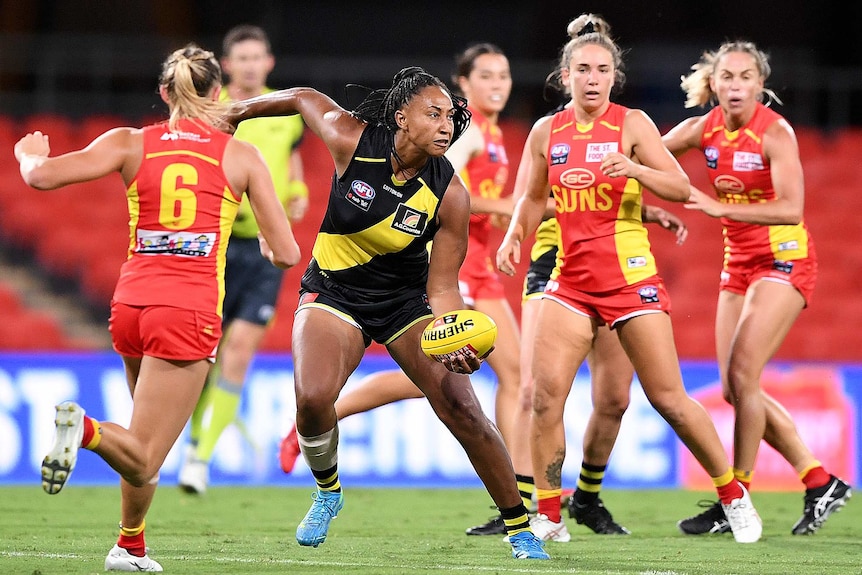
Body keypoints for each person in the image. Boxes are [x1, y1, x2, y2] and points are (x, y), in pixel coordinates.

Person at [225, 66, 550, 559]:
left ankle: (520, 529)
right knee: (312, 399)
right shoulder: (351, 140)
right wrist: (237, 112)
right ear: (401, 116)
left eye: (450, 117)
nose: (446, 124)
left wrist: (454, 335)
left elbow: (442, 287)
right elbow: (304, 96)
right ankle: (328, 491)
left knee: (464, 409)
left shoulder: (450, 195)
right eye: (433, 113)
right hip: (333, 293)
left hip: (404, 303)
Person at [20, 44, 301, 572]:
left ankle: (130, 545)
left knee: (140, 438)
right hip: (188, 309)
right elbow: (286, 253)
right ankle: (82, 429)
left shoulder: (129, 142)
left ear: (164, 93)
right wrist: (267, 244)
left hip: (130, 305)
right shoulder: (238, 155)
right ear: (218, 93)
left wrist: (26, 152)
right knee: (145, 453)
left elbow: (39, 176)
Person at [495, 13, 761, 544]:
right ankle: (549, 514)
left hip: (630, 281)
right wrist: (514, 236)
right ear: (565, 74)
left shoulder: (633, 123)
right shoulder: (546, 132)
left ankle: (734, 497)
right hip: (569, 283)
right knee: (544, 398)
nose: (592, 78)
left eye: (602, 70)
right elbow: (528, 197)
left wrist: (636, 169)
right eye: (582, 69)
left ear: (614, 76)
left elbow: (682, 188)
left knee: (669, 399)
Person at [661, 40, 852, 536]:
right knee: (733, 388)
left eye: (746, 76)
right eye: (727, 76)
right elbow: (648, 151)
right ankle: (818, 480)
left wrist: (722, 209)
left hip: (785, 259)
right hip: (737, 264)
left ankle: (736, 496)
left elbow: (792, 208)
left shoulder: (776, 133)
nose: (736, 85)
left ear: (760, 85)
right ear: (714, 84)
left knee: (744, 374)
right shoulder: (704, 128)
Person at [178, 24, 309, 495]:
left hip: (261, 250)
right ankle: (196, 436)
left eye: (259, 57)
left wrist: (296, 190)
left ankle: (200, 458)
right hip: (213, 243)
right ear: (228, 66)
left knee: (237, 354)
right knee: (204, 353)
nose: (252, 65)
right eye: (243, 58)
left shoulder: (286, 112)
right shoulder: (214, 111)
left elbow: (290, 158)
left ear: (269, 62)